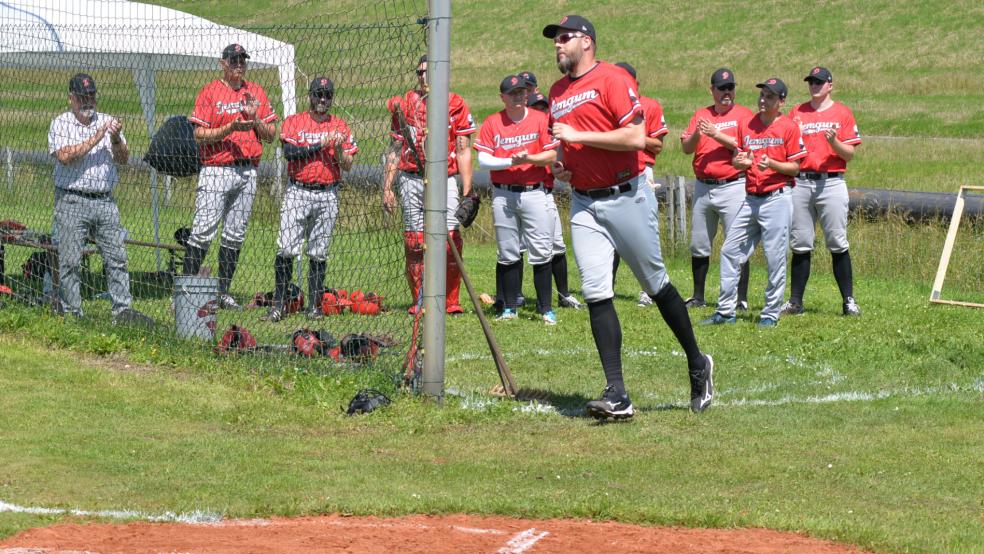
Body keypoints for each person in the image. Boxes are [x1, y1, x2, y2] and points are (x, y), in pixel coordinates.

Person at [542, 15, 714, 418]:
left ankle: (697, 361)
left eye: (564, 38)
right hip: (585, 202)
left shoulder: (613, 79)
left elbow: (637, 137)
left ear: (587, 42)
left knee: (656, 285)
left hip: (627, 195)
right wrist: (560, 165)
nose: (557, 45)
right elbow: (562, 143)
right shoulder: (556, 91)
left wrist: (578, 138)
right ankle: (617, 392)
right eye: (555, 40)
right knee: (596, 290)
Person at [701, 78, 806, 328]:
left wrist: (771, 164)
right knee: (730, 250)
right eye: (762, 95)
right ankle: (726, 311)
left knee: (774, 257)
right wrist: (741, 164)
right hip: (750, 198)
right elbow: (738, 159)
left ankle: (770, 313)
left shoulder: (789, 128)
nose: (763, 100)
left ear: (781, 102)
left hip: (777, 198)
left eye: (770, 96)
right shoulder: (748, 125)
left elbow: (795, 168)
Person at [47, 73, 151, 325]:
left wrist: (114, 137)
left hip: (105, 201)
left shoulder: (107, 122)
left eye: (91, 95)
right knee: (70, 260)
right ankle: (73, 312)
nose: (88, 101)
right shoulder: (60, 123)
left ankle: (122, 311)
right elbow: (65, 156)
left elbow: (123, 159)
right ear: (71, 98)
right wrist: (97, 136)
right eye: (82, 96)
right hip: (72, 200)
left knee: (116, 258)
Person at [186, 43, 278, 309]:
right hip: (216, 169)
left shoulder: (255, 91)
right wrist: (230, 128)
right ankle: (187, 288)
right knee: (203, 231)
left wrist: (255, 118)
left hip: (247, 170)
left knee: (234, 235)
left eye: (242, 60)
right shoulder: (210, 92)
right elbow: (198, 135)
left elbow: (270, 135)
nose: (239, 64)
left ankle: (223, 291)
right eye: (233, 60)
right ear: (222, 63)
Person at [382, 55, 476, 314]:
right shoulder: (405, 104)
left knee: (450, 237)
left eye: (429, 72)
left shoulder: (455, 103)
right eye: (419, 72)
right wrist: (387, 187)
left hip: (444, 178)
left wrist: (468, 191)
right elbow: (395, 147)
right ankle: (419, 300)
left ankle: (450, 300)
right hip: (411, 177)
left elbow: (464, 149)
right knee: (414, 239)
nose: (423, 77)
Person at [262, 76, 358, 322]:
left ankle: (314, 306)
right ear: (310, 95)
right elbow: (290, 154)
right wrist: (320, 144)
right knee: (286, 247)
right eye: (318, 94)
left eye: (327, 95)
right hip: (298, 191)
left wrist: (336, 148)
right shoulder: (295, 122)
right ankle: (279, 305)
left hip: (327, 193)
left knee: (318, 252)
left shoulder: (340, 125)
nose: (322, 100)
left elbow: (347, 165)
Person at [474, 75, 559, 324]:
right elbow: (483, 160)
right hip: (504, 192)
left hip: (535, 191)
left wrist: (528, 159)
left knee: (542, 251)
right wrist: (512, 160)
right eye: (513, 93)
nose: (519, 97)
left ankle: (545, 309)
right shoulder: (493, 122)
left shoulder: (541, 119)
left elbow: (552, 154)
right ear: (502, 97)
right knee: (508, 252)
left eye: (522, 92)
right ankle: (509, 308)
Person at [785, 66, 863, 317]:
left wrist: (833, 142)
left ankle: (848, 301)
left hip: (831, 182)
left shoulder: (842, 113)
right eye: (811, 82)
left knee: (837, 242)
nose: (814, 85)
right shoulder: (797, 112)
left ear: (830, 85)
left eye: (819, 82)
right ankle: (795, 301)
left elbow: (849, 153)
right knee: (800, 243)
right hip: (802, 181)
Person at [680, 68, 755, 311]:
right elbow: (687, 148)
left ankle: (740, 298)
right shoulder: (701, 114)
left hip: (733, 186)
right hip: (703, 186)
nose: (727, 92)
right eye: (722, 88)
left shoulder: (744, 115)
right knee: (699, 244)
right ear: (711, 90)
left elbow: (746, 145)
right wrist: (697, 135)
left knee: (737, 243)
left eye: (730, 87)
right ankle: (698, 296)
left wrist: (716, 134)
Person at [613, 61, 669, 308]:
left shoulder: (650, 105)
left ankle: (650, 290)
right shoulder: (608, 104)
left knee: (645, 232)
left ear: (635, 83)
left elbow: (657, 145)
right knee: (611, 232)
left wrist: (633, 136)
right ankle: (607, 287)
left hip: (642, 170)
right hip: (613, 170)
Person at [528, 91, 582, 310]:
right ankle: (511, 299)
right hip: (527, 194)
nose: (542, 112)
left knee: (557, 245)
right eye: (537, 108)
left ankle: (563, 294)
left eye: (544, 108)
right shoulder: (528, 131)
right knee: (517, 252)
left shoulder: (552, 132)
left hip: (546, 194)